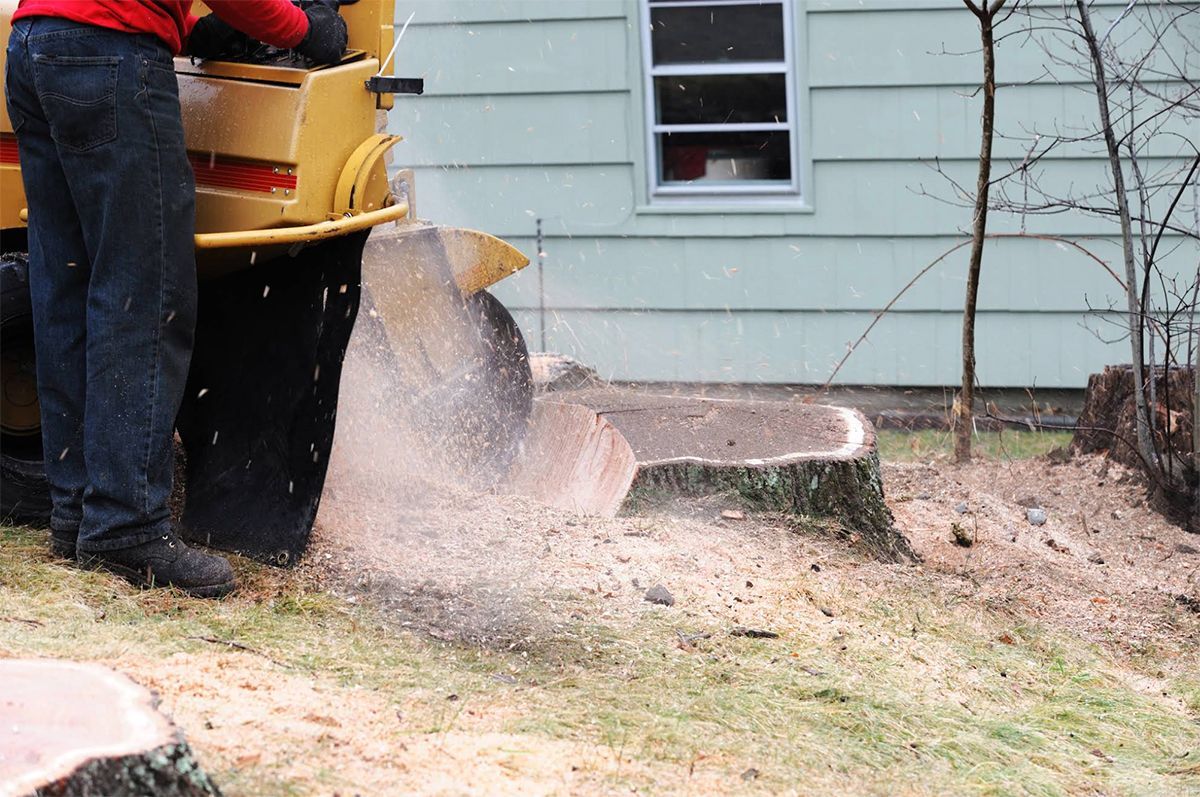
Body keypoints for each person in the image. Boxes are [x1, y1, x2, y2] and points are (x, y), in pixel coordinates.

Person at [3, 0, 347, 598]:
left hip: (36, 45)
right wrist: (303, 28)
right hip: (108, 56)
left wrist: (189, 28)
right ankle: (124, 525)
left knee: (66, 282)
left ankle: (78, 512)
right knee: (143, 289)